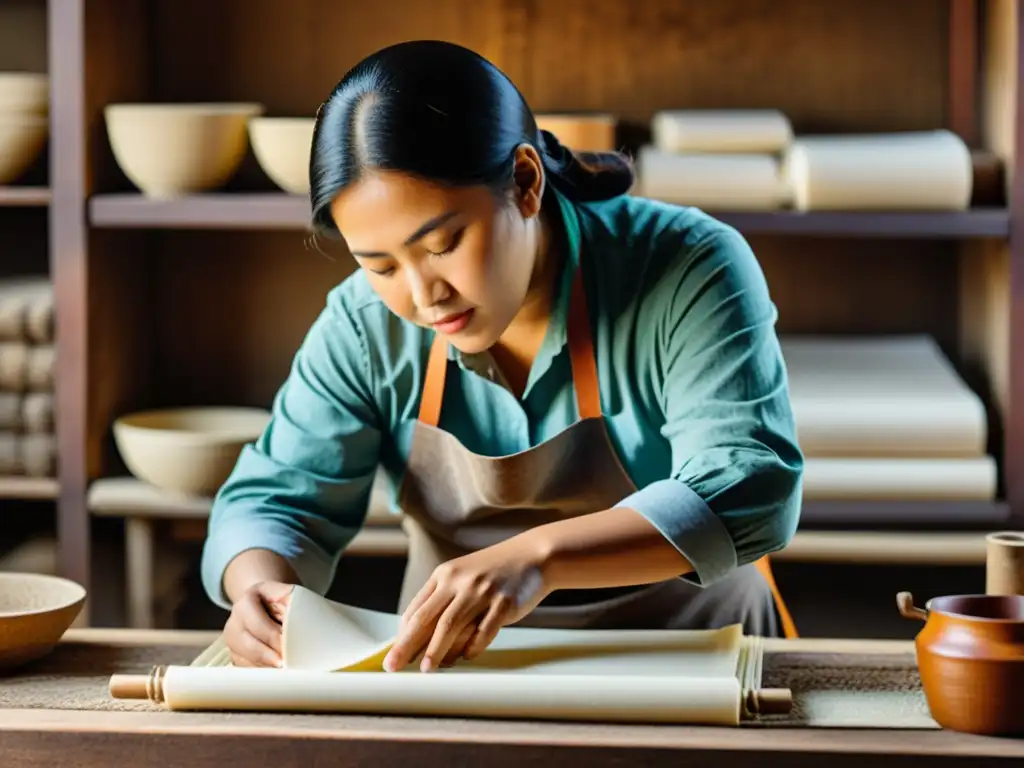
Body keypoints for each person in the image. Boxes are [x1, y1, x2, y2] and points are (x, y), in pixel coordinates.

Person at [200, 39, 804, 672]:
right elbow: (276, 501)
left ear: (524, 181)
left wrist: (539, 558)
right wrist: (255, 590)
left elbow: (750, 482)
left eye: (443, 243)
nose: (423, 295)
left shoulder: (689, 266)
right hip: (451, 673)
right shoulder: (363, 323)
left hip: (693, 658)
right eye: (378, 265)